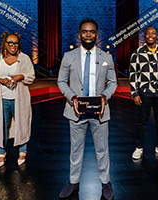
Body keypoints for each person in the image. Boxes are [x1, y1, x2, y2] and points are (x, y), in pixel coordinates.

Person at [57, 18, 117, 200]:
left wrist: (104, 96)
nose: (88, 34)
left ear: (97, 35)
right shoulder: (69, 57)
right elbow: (60, 81)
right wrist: (72, 97)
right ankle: (73, 182)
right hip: (76, 112)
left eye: (91, 32)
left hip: (99, 112)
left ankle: (106, 182)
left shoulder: (106, 58)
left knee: (102, 149)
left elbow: (113, 83)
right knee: (75, 149)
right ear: (80, 34)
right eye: (85, 31)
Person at [0, 32, 35, 168]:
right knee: (0, 125)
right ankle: (1, 153)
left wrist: (20, 76)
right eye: (10, 43)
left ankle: (22, 151)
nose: (13, 46)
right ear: (5, 43)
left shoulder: (24, 58)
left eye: (15, 43)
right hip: (1, 98)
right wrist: (0, 79)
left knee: (22, 123)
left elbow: (31, 77)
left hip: (19, 98)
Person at [129, 26, 158, 160]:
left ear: (156, 36)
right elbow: (133, 74)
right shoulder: (137, 53)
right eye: (148, 33)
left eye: (153, 33)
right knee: (141, 122)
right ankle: (139, 147)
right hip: (144, 92)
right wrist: (135, 93)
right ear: (145, 36)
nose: (150, 35)